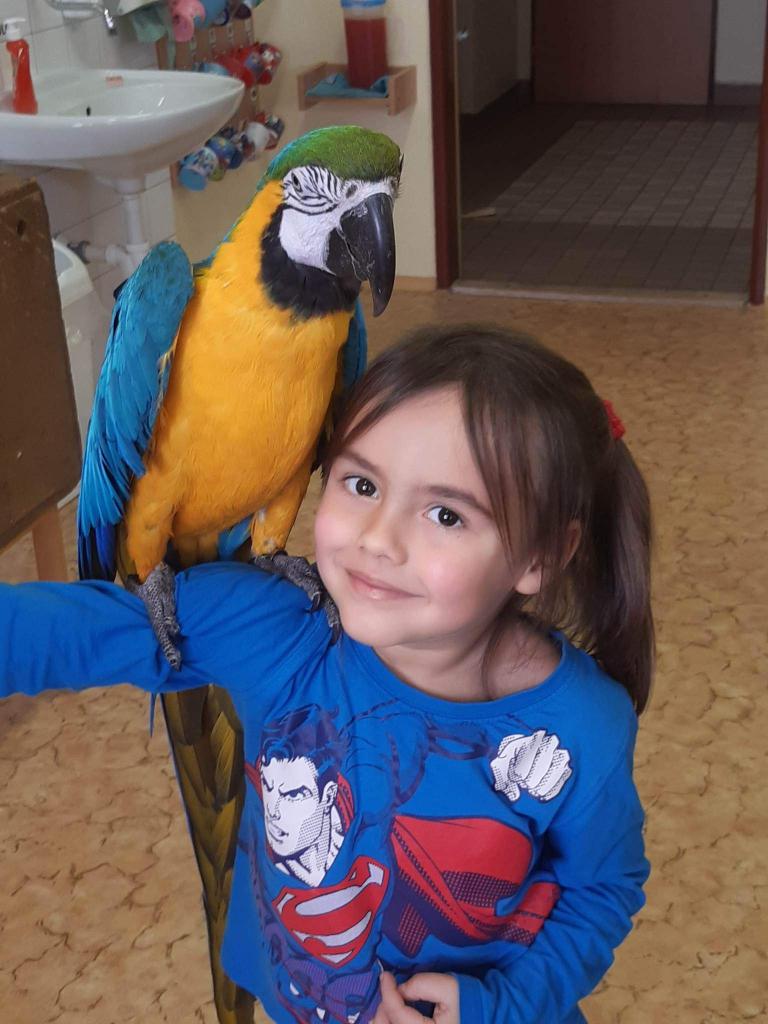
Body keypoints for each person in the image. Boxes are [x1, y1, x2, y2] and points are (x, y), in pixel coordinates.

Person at [0, 325, 653, 1024]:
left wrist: (503, 1005)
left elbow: (601, 891)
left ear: (541, 555)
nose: (377, 539)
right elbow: (67, 631)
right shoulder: (273, 629)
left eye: (445, 514)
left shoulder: (580, 727)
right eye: (362, 484)